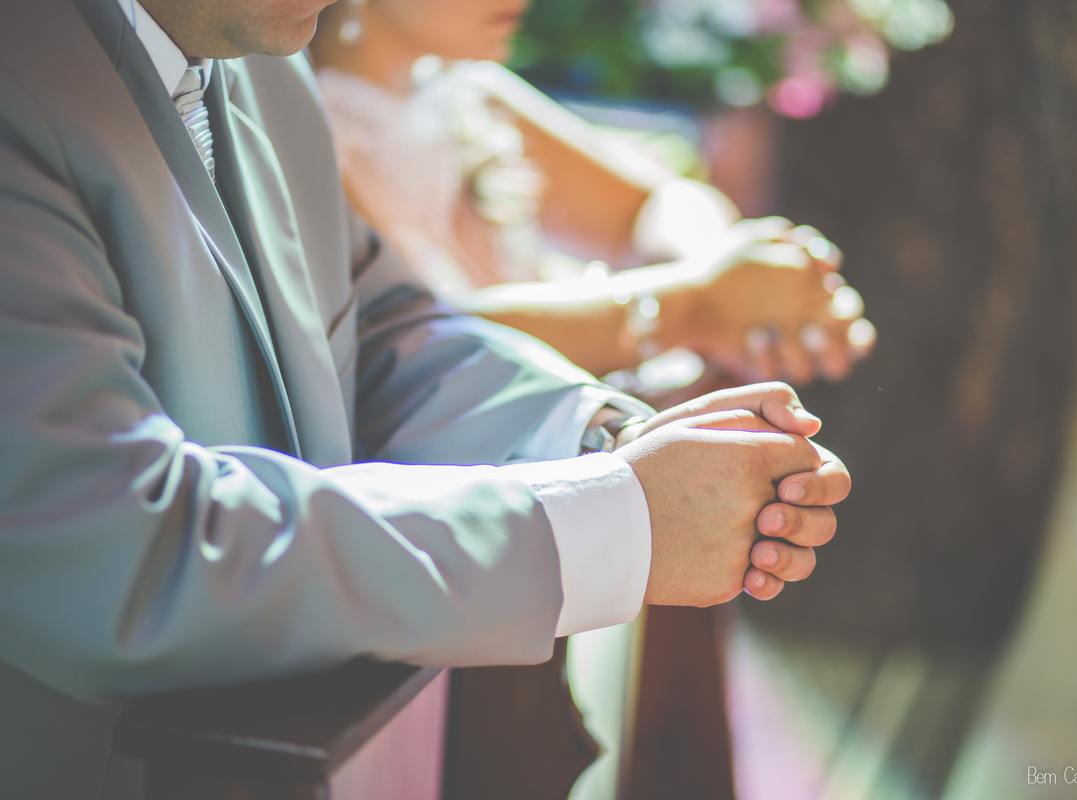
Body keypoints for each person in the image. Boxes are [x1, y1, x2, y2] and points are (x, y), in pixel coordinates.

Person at [0, 0, 850, 797]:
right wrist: (608, 521)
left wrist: (605, 441)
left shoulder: (259, 62)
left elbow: (376, 331)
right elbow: (119, 546)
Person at [309, 0, 876, 388]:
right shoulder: (311, 138)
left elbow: (658, 203)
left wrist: (734, 279)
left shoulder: (465, 91)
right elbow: (419, 345)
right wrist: (692, 304)